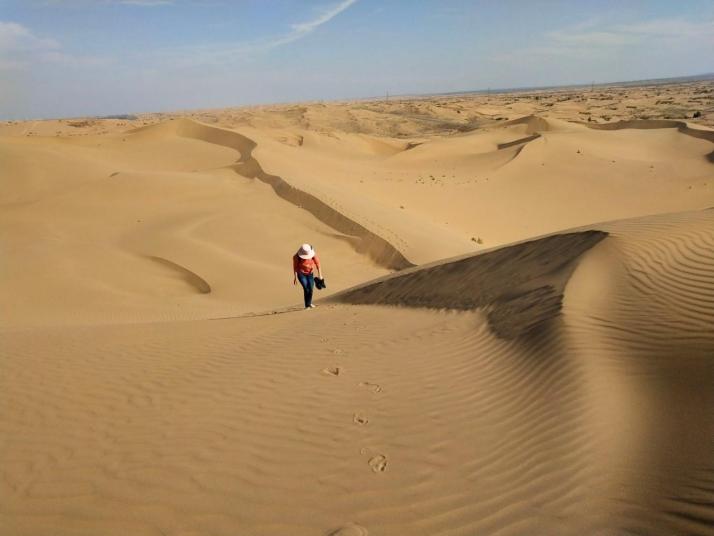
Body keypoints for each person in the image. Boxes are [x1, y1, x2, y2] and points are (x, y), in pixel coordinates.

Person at [293, 243, 323, 309]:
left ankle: (309, 303)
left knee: (311, 289)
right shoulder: (296, 257)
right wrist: (295, 277)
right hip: (301, 274)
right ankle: (307, 306)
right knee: (306, 288)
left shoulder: (313, 255)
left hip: (310, 274)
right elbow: (295, 267)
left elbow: (318, 263)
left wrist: (320, 275)